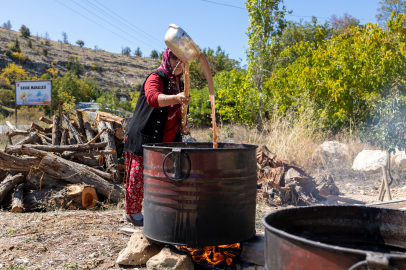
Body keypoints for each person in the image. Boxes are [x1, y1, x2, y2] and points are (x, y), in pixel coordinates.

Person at [123, 47, 190, 226]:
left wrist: (185, 126)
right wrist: (177, 98)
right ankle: (133, 213)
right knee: (138, 177)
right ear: (168, 59)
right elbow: (153, 98)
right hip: (146, 136)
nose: (178, 63)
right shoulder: (157, 77)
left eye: (181, 59)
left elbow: (182, 111)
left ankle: (160, 212)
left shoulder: (181, 84)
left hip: (167, 141)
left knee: (163, 179)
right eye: (174, 58)